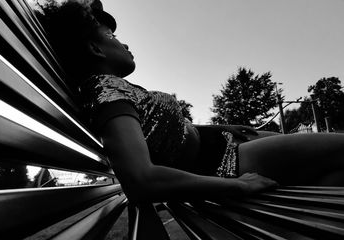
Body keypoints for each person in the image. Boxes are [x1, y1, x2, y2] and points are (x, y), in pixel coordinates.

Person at [36, 0, 344, 203]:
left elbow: (170, 133)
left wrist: (227, 126)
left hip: (228, 146)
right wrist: (237, 186)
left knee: (332, 172)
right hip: (224, 165)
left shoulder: (115, 90)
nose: (124, 42)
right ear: (95, 49)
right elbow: (140, 180)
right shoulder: (107, 93)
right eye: (113, 36)